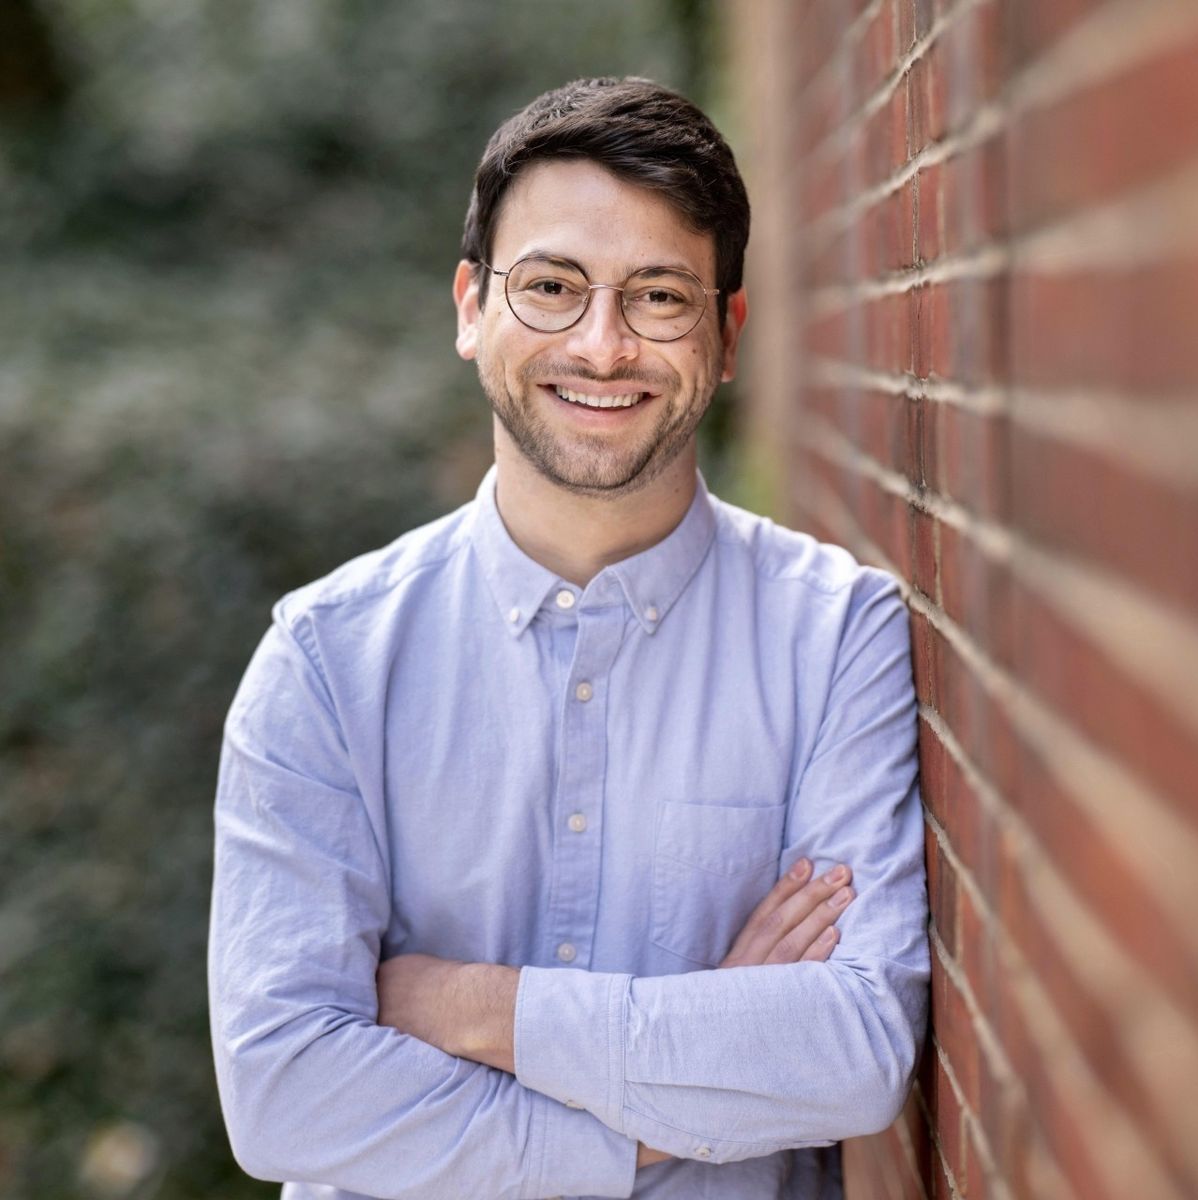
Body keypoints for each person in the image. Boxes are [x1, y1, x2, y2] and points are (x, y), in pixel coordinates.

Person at [208, 76, 929, 1200]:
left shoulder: (834, 635)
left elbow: (853, 1051)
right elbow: (284, 1093)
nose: (602, 347)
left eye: (659, 298)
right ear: (469, 307)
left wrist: (473, 1005)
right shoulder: (326, 663)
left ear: (728, 335)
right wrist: (677, 1103)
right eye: (551, 286)